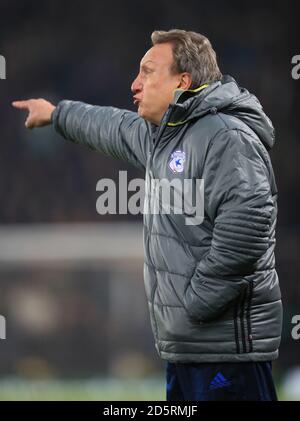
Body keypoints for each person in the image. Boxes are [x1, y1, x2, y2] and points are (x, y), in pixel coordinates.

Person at [12, 29, 282, 401]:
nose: (135, 82)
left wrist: (195, 303)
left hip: (225, 353)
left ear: (183, 82)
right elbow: (112, 127)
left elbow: (249, 225)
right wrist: (57, 115)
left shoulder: (225, 136)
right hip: (188, 349)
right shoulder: (165, 137)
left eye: (148, 71)